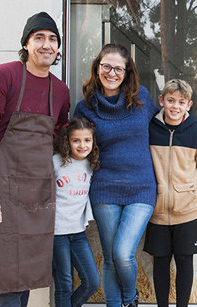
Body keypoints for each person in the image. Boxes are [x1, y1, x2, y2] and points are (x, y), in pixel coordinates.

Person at [0, 12, 70, 306]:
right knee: (5, 279)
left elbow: (60, 137)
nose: (46, 45)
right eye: (39, 37)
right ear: (26, 44)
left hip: (38, 197)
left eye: (52, 39)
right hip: (2, 193)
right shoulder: (4, 76)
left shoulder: (60, 91)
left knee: (24, 277)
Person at [73, 43, 158, 307]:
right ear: (97, 68)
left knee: (122, 253)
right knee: (110, 258)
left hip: (141, 188)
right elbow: (75, 145)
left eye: (118, 68)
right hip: (104, 189)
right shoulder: (84, 108)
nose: (112, 73)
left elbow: (166, 124)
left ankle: (130, 298)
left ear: (127, 71)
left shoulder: (141, 99)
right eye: (106, 66)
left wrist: (194, 127)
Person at [143, 79, 197, 307]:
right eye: (170, 100)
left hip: (189, 210)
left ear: (188, 105)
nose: (175, 106)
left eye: (181, 102)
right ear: (161, 100)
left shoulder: (196, 131)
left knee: (184, 261)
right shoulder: (150, 128)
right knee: (160, 262)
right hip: (157, 210)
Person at [52, 117, 100, 307]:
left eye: (87, 140)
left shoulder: (91, 163)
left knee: (92, 282)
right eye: (76, 140)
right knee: (64, 286)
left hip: (78, 232)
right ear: (67, 141)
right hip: (57, 234)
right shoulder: (55, 162)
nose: (82, 145)